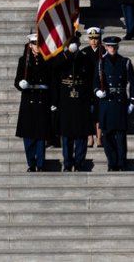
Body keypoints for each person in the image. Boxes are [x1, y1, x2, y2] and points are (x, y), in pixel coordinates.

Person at [93, 35, 134, 171]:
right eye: (109, 46)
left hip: (120, 100)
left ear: (118, 47)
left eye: (114, 46)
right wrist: (97, 91)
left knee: (121, 135)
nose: (112, 48)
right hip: (106, 101)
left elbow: (133, 83)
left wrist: (132, 101)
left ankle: (121, 162)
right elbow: (95, 81)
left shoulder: (125, 62)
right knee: (107, 135)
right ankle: (112, 162)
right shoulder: (101, 62)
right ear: (105, 47)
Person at [52, 38, 93, 172]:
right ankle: (68, 162)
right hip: (66, 99)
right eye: (70, 44)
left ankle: (80, 162)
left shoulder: (84, 58)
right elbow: (55, 67)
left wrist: (91, 100)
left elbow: (90, 76)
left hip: (81, 98)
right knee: (67, 133)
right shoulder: (62, 57)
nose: (73, 46)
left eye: (75, 44)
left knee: (81, 133)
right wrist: (68, 53)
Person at [14, 34, 52, 172]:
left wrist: (53, 102)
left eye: (39, 44)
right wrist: (21, 84)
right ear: (30, 45)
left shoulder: (47, 60)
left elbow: (51, 81)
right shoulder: (23, 60)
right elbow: (17, 81)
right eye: (34, 44)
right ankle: (31, 163)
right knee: (29, 135)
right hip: (29, 100)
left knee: (40, 136)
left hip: (42, 99)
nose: (37, 47)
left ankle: (40, 164)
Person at [79, 26, 105, 147]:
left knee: (99, 113)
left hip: (99, 86)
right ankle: (90, 137)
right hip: (86, 86)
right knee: (86, 113)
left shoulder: (104, 51)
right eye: (91, 38)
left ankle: (99, 137)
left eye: (96, 38)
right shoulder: (84, 52)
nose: (94, 41)